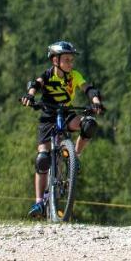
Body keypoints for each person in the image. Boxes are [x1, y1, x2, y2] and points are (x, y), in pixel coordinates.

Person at [20, 41, 104, 219]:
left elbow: (87, 88)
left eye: (72, 60)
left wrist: (95, 102)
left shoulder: (75, 76)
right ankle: (39, 202)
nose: (70, 64)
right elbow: (35, 84)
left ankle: (75, 157)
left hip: (67, 114)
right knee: (42, 160)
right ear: (55, 61)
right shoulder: (49, 75)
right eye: (67, 60)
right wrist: (30, 95)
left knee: (89, 124)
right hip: (48, 117)